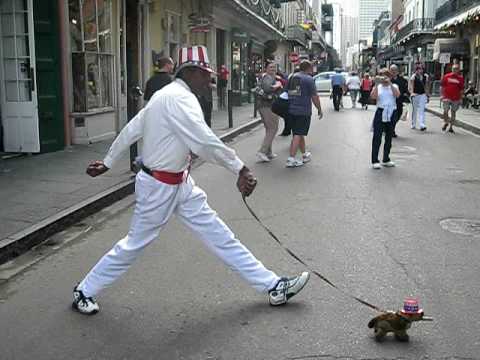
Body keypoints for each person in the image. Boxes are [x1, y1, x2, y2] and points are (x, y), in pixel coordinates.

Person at [72, 45, 310, 315]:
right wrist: (240, 168)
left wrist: (108, 161)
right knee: (133, 245)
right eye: (206, 74)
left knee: (220, 235)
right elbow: (203, 141)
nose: (210, 80)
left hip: (178, 182)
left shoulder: (165, 95)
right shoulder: (179, 99)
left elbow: (132, 128)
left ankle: (272, 285)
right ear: (193, 72)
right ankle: (85, 289)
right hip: (160, 186)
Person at [286, 60, 323, 168]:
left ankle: (304, 155)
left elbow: (289, 92)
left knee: (298, 132)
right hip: (303, 110)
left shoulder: (292, 77)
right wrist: (319, 109)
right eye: (312, 68)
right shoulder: (308, 79)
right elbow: (314, 97)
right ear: (309, 68)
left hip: (292, 109)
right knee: (298, 134)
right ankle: (291, 158)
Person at [370, 69, 400, 170]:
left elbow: (397, 95)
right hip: (381, 111)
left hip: (392, 112)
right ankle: (375, 160)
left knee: (389, 136)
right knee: (377, 137)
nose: (384, 78)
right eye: (382, 76)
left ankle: (386, 159)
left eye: (386, 76)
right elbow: (373, 97)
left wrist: (390, 83)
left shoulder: (394, 86)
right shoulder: (378, 87)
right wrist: (376, 84)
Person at [256, 62, 283, 162]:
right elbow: (267, 89)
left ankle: (268, 152)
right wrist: (277, 85)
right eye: (270, 67)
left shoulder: (270, 77)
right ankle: (262, 151)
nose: (273, 69)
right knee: (273, 128)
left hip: (264, 105)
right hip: (267, 106)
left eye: (274, 67)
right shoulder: (267, 77)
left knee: (269, 128)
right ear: (266, 68)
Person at [440, 64, 464, 134]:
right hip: (447, 97)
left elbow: (461, 89)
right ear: (452, 69)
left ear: (458, 70)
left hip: (456, 98)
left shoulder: (460, 78)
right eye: (454, 69)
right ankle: (446, 122)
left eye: (456, 69)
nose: (455, 70)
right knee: (445, 110)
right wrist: (442, 95)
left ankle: (451, 127)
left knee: (453, 112)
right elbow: (442, 86)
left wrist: (461, 98)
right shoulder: (447, 76)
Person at [390, 64, 410, 137]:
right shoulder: (388, 80)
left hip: (399, 101)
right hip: (389, 101)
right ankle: (391, 130)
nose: (393, 72)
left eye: (394, 70)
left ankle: (391, 128)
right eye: (392, 70)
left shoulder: (402, 80)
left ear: (397, 71)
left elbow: (405, 90)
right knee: (391, 117)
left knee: (398, 115)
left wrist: (408, 94)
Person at [408, 64, 430, 131]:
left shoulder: (425, 76)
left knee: (422, 109)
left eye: (421, 69)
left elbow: (426, 86)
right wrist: (411, 93)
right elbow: (411, 86)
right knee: (415, 110)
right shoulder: (413, 77)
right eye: (419, 69)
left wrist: (427, 95)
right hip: (415, 94)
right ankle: (413, 123)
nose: (420, 70)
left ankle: (422, 124)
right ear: (416, 70)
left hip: (422, 94)